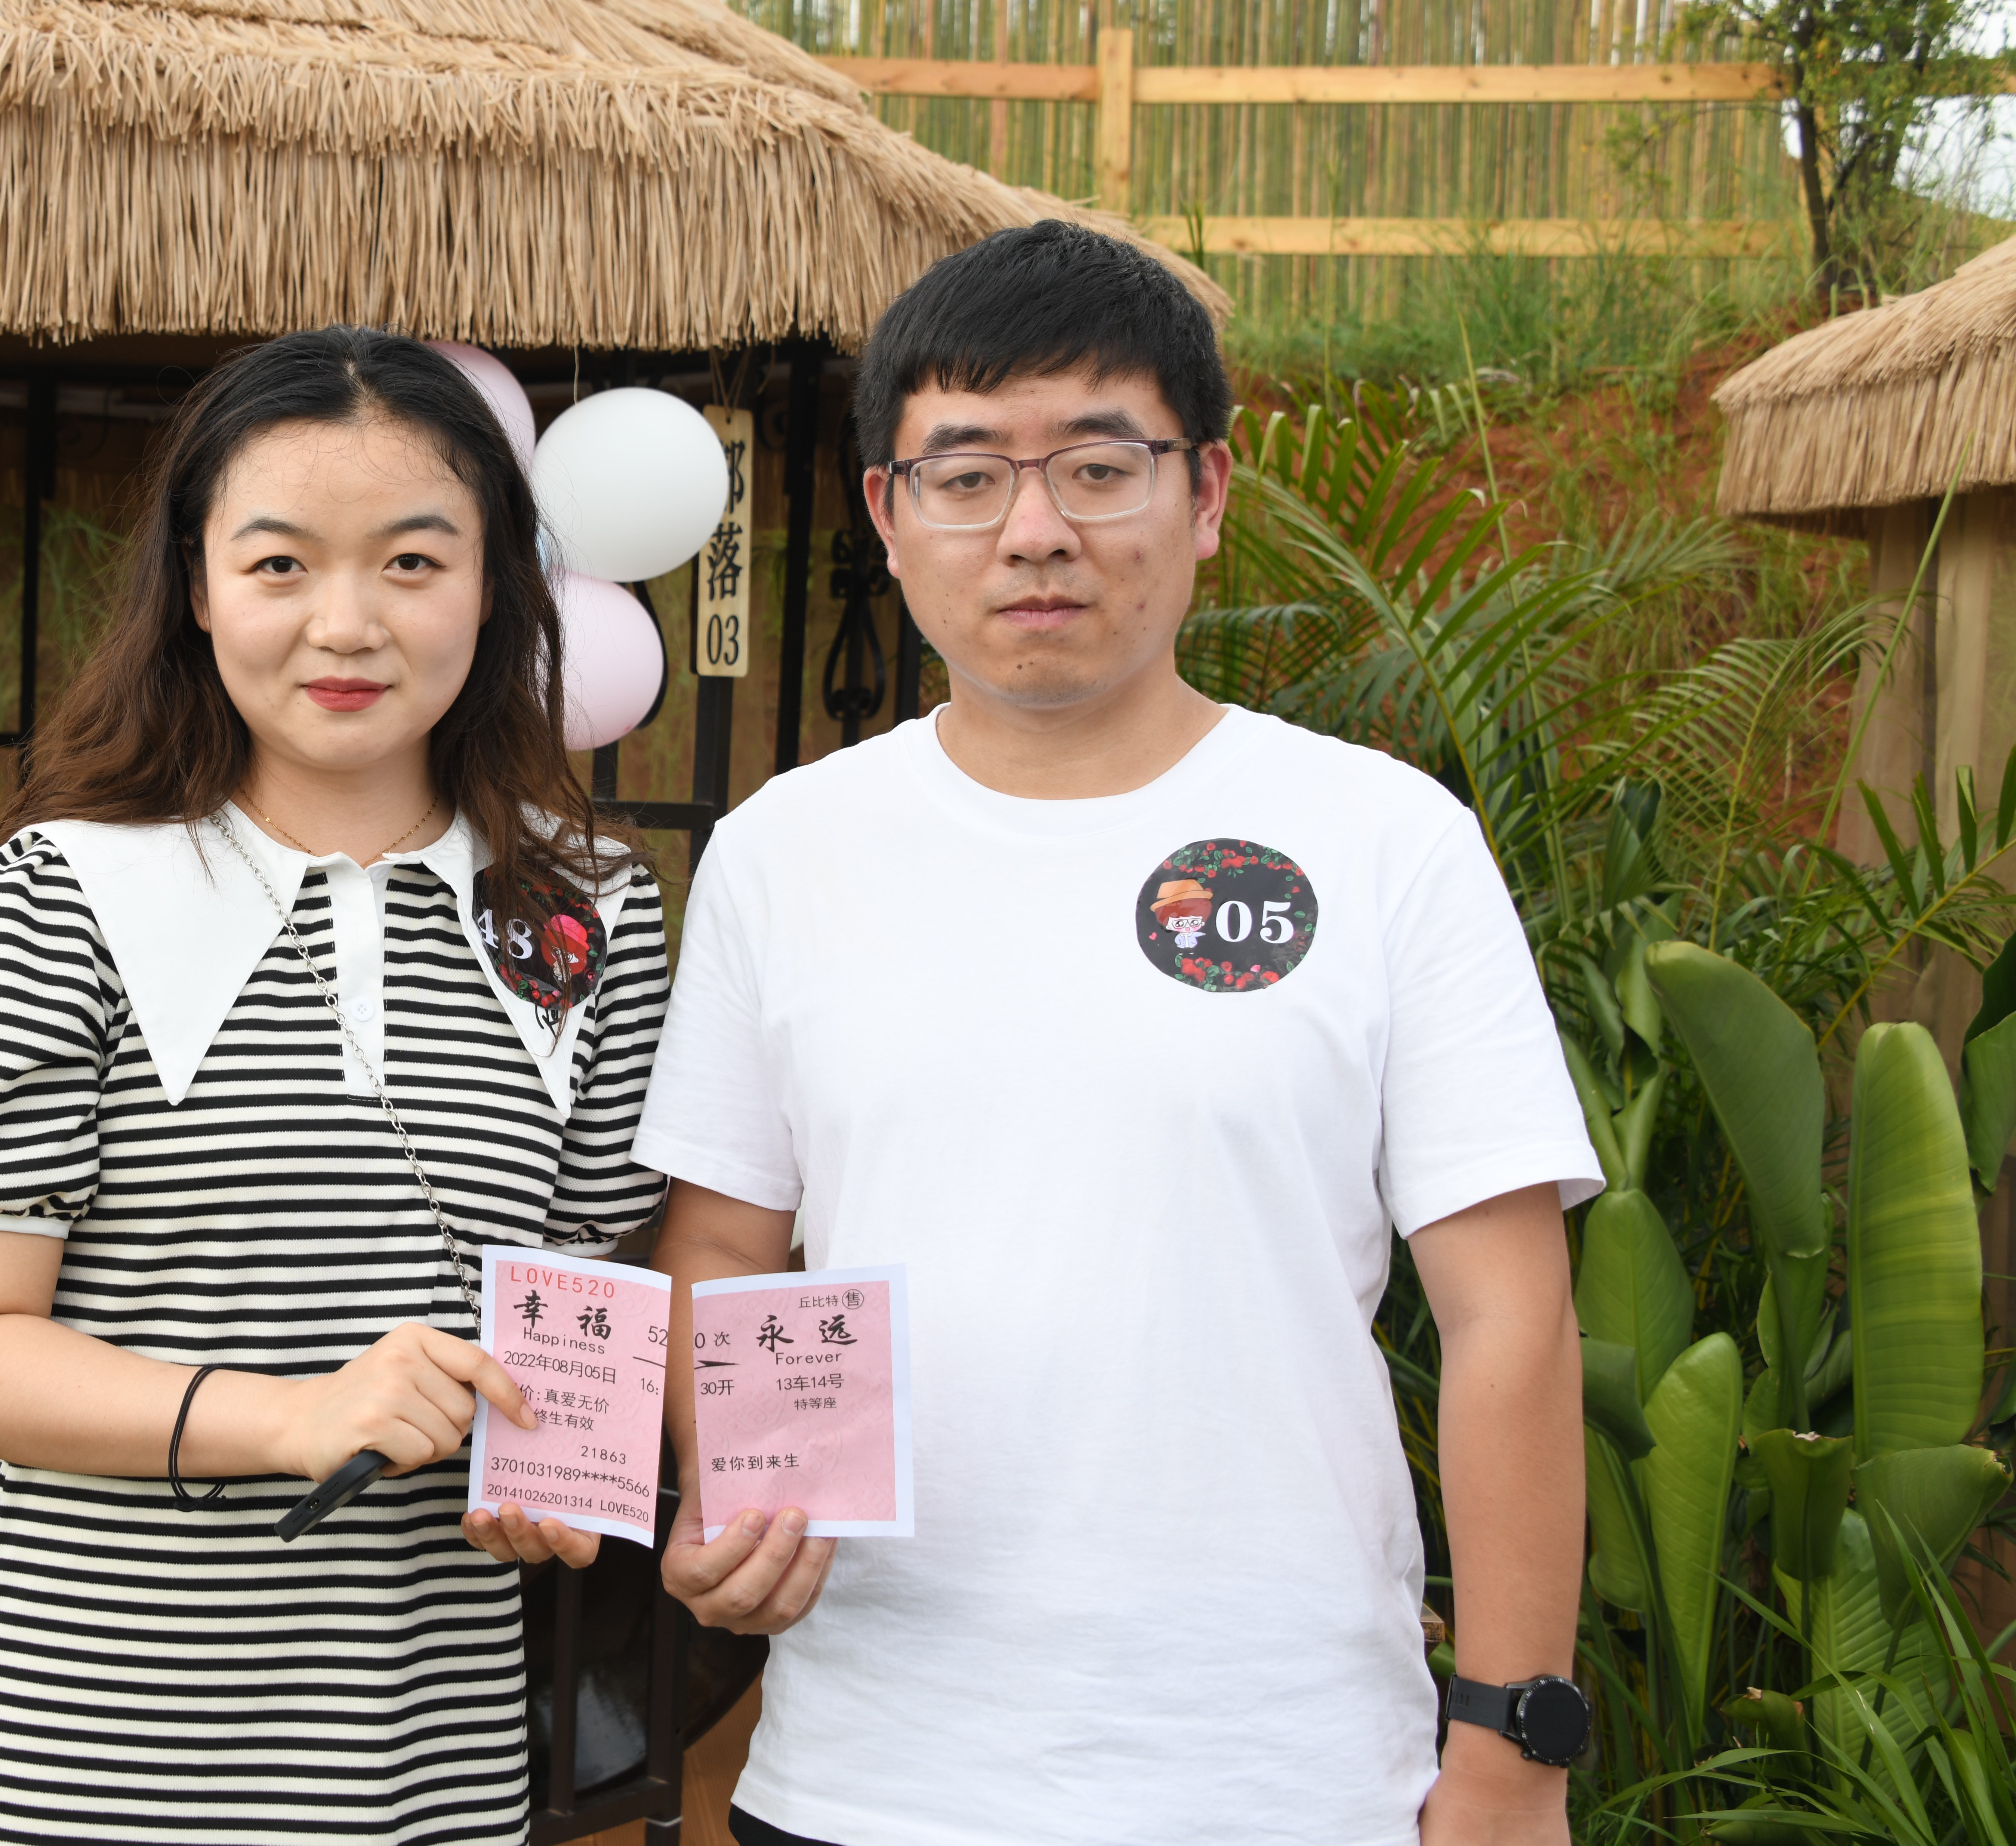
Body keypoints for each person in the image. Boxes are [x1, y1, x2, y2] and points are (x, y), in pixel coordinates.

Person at [637, 222, 1599, 1846]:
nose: (1035, 531)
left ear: (1205, 492)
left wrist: (1512, 1747)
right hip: (870, 1768)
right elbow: (723, 1242)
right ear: (888, 514)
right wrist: (751, 1489)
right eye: (966, 476)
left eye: (1099, 467)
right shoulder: (784, 850)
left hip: (1281, 1775)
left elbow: (1508, 1310)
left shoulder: (1381, 838)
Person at [0, 328, 669, 1845]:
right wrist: (295, 1414)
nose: (345, 624)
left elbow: (580, 1307)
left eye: (413, 562)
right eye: (281, 564)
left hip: (436, 1767)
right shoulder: (57, 901)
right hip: (98, 1769)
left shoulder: (591, 915)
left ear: (496, 584)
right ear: (198, 582)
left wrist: (558, 1469)